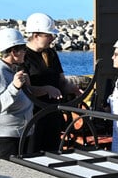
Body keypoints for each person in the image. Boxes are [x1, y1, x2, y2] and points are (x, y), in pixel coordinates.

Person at [22, 12, 80, 153]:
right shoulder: (24, 56)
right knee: (33, 153)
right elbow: (26, 89)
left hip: (53, 114)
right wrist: (46, 89)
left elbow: (61, 82)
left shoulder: (51, 54)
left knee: (52, 152)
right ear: (36, 36)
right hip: (34, 117)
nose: (52, 39)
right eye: (49, 35)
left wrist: (74, 90)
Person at [0, 28, 34, 160]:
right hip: (4, 140)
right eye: (23, 48)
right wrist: (15, 87)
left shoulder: (11, 70)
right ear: (13, 51)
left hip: (17, 136)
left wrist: (26, 86)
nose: (25, 52)